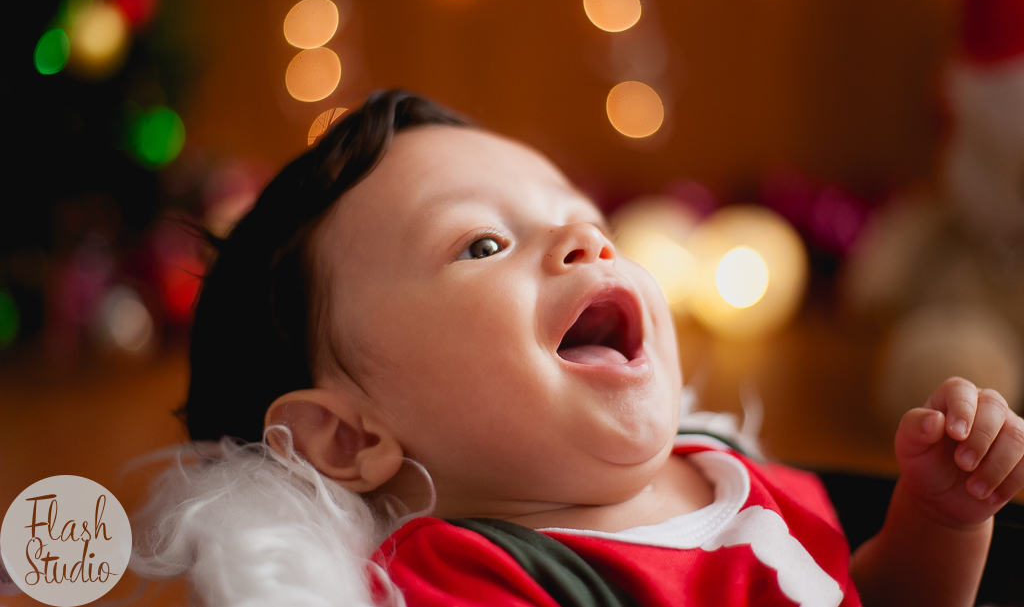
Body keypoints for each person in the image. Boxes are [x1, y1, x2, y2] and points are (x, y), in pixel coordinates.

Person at [133, 90, 1024, 607]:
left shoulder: (730, 467)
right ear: (350, 438)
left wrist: (939, 521)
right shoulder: (477, 572)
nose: (586, 243)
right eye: (481, 244)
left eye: (587, 220)